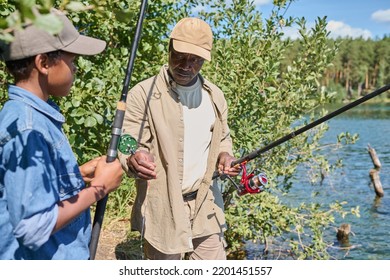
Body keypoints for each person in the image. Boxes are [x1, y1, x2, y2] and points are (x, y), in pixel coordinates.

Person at [0, 8, 123, 259]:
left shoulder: (23, 116)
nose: (75, 68)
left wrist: (76, 175)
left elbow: (26, 192)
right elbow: (33, 228)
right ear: (44, 63)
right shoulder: (29, 128)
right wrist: (99, 188)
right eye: (72, 60)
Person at [118, 17, 241, 260]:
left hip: (207, 204)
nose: (186, 65)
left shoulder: (215, 96)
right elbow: (126, 139)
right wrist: (132, 156)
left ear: (205, 59)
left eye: (195, 59)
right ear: (169, 50)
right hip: (162, 208)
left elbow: (223, 137)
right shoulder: (143, 93)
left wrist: (225, 154)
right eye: (180, 56)